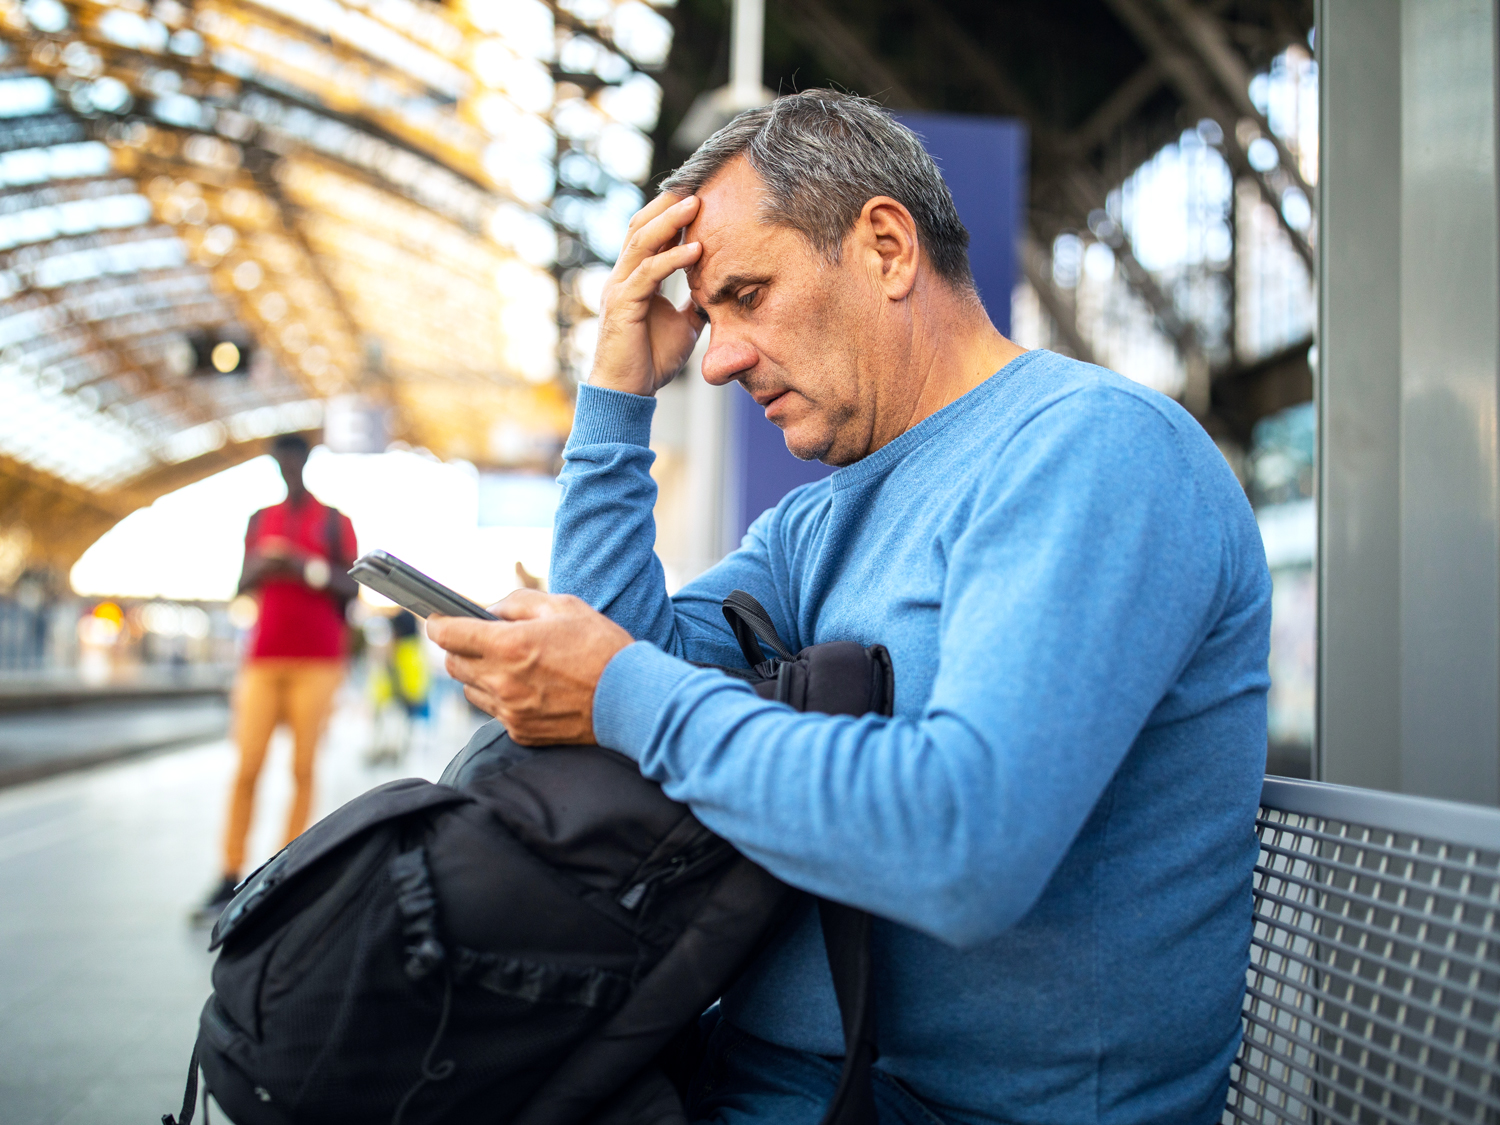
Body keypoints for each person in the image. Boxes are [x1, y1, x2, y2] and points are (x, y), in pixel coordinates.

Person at [428, 90, 1271, 1125]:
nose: (720, 357)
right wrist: (618, 396)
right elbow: (618, 707)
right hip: (767, 1078)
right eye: (708, 318)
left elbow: (966, 846)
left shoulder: (1091, 452)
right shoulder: (815, 523)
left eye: (746, 295)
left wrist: (611, 688)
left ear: (883, 246)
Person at [196, 433, 359, 921]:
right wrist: (264, 566)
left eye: (292, 459)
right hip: (263, 658)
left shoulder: (334, 521)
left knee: (303, 768)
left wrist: (303, 567)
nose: (286, 467)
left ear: (305, 461)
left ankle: (284, 873)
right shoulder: (259, 521)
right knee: (246, 766)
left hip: (319, 659)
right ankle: (229, 873)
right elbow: (240, 584)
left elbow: (351, 586)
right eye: (279, 460)